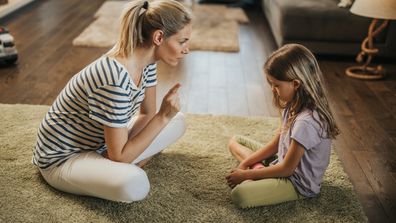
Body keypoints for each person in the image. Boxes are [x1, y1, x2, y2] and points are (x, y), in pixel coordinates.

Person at [32, 0, 192, 203]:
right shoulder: (114, 78)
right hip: (63, 158)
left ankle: (119, 164)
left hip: (102, 146)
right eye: (182, 41)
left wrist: (162, 118)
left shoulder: (147, 63)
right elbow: (120, 156)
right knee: (136, 184)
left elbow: (147, 114)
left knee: (178, 120)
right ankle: (127, 165)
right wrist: (162, 117)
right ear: (159, 37)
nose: (187, 49)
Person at [225, 44, 340, 208]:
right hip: (282, 160)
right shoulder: (293, 104)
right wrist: (245, 166)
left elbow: (287, 169)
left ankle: (258, 173)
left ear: (296, 84)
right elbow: (276, 143)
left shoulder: (306, 122)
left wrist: (246, 175)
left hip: (295, 183)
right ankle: (259, 169)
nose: (272, 89)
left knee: (239, 195)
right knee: (235, 141)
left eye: (276, 85)